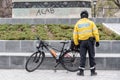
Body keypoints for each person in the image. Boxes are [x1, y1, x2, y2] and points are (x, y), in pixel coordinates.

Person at [73, 10, 100, 76]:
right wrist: (97, 41)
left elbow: (75, 35)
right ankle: (93, 72)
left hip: (82, 43)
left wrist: (76, 44)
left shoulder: (78, 23)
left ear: (81, 16)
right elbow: (95, 32)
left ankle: (81, 72)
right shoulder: (91, 23)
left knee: (83, 57)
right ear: (87, 16)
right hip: (90, 42)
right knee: (91, 56)